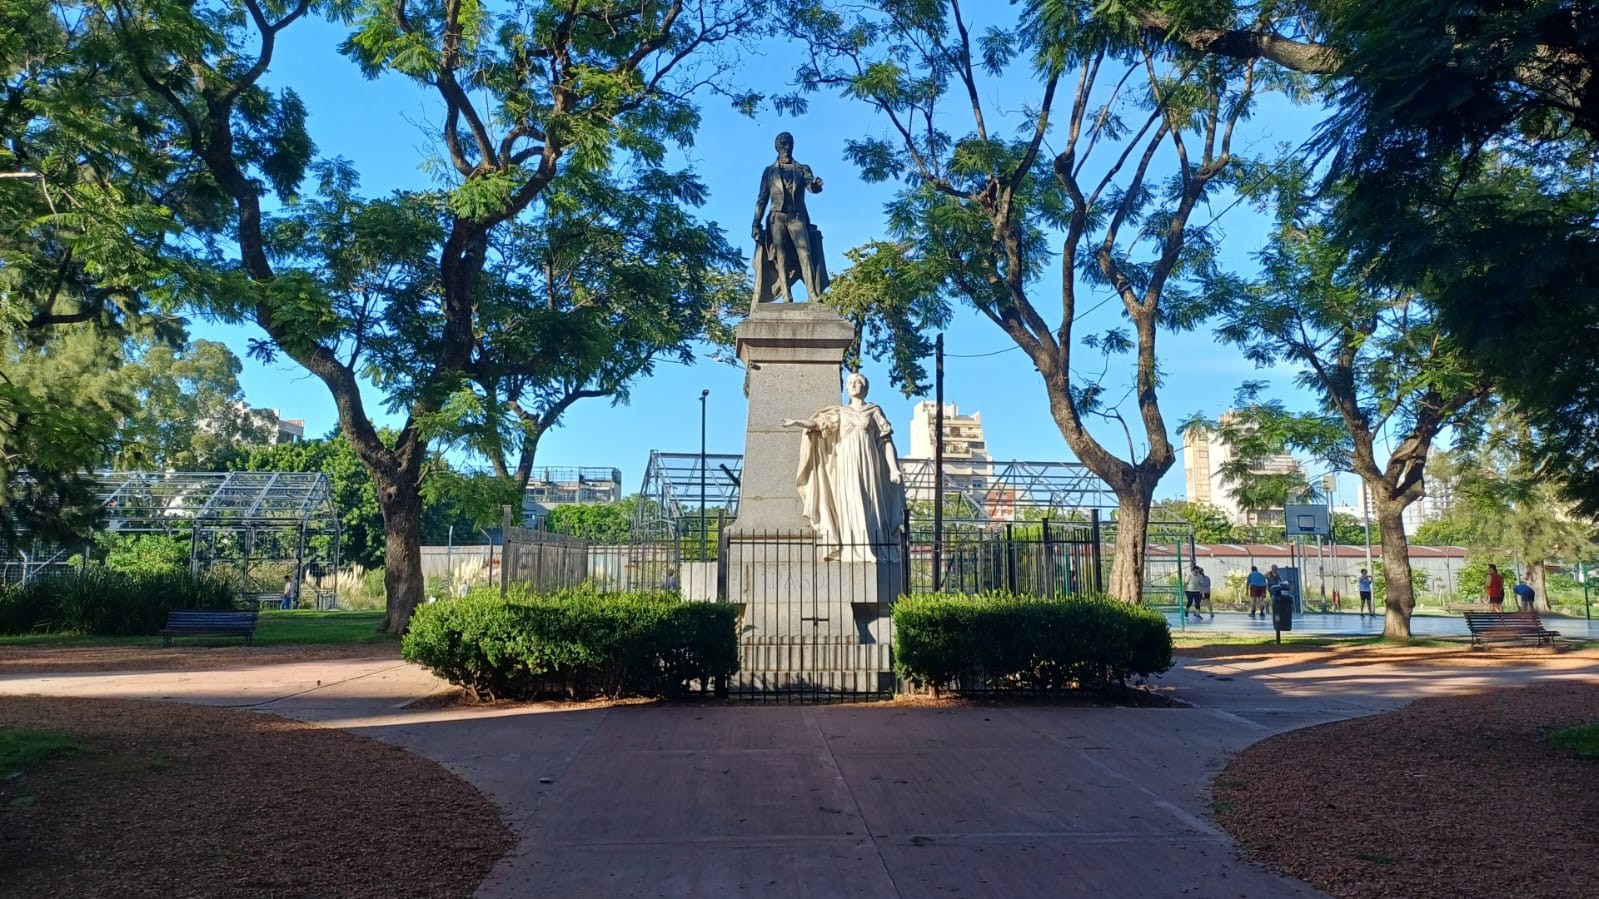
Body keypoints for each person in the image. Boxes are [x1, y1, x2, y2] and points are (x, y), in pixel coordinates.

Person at [783, 372, 904, 563]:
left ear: (865, 387)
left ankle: (872, 546)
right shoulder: (840, 413)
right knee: (850, 501)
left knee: (871, 503)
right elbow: (817, 425)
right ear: (846, 388)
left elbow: (886, 441)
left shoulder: (873, 411)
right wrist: (798, 422)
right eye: (850, 382)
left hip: (869, 464)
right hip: (846, 464)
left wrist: (893, 468)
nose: (854, 385)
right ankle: (851, 547)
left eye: (858, 382)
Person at [751, 131, 829, 304]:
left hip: (796, 217)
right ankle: (787, 295)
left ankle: (813, 294)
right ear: (777, 147)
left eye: (789, 143)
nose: (787, 147)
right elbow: (762, 199)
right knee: (781, 255)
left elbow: (811, 186)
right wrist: (755, 224)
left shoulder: (802, 169)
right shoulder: (769, 171)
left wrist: (816, 185)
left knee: (805, 253)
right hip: (777, 218)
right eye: (783, 144)